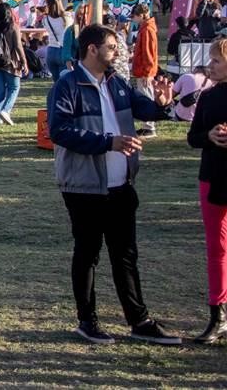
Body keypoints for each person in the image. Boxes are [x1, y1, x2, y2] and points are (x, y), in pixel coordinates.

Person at [47, 23, 180, 345]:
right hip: (84, 186)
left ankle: (140, 321)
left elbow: (142, 106)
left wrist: (162, 104)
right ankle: (87, 321)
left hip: (122, 184)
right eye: (111, 46)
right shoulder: (67, 86)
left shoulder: (115, 82)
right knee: (88, 253)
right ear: (92, 49)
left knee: (125, 255)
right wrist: (109, 142)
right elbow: (59, 131)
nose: (116, 51)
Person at [188, 37, 227, 343]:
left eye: (216, 61)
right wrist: (208, 136)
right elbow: (192, 137)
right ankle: (218, 313)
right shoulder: (208, 96)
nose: (210, 65)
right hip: (212, 176)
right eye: (211, 60)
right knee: (217, 248)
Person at [0, 3, 27, 125]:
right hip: (11, 62)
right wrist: (24, 62)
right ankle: (6, 110)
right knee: (14, 87)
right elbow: (18, 46)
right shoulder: (13, 27)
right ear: (10, 13)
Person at [130, 4, 159, 137]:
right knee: (145, 95)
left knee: (147, 96)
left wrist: (147, 72)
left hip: (144, 70)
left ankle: (150, 126)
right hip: (142, 69)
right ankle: (147, 125)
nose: (133, 19)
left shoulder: (147, 29)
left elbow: (148, 52)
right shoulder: (145, 28)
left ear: (141, 15)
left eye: (134, 16)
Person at [43, 0, 72, 80]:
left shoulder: (46, 19)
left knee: (56, 82)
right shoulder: (66, 17)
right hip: (64, 49)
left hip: (51, 49)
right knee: (64, 80)